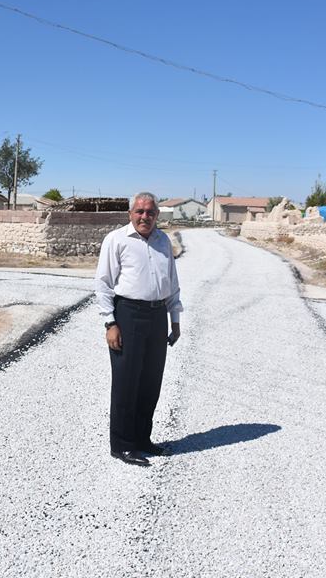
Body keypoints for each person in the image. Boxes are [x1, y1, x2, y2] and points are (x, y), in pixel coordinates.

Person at [95, 192, 182, 467]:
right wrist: (110, 322)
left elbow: (172, 280)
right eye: (140, 211)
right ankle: (122, 445)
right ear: (130, 213)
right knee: (126, 382)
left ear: (157, 215)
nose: (145, 216)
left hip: (158, 316)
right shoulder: (117, 239)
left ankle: (143, 440)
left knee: (150, 382)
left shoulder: (162, 241)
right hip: (128, 315)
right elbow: (103, 283)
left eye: (150, 212)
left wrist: (175, 319)